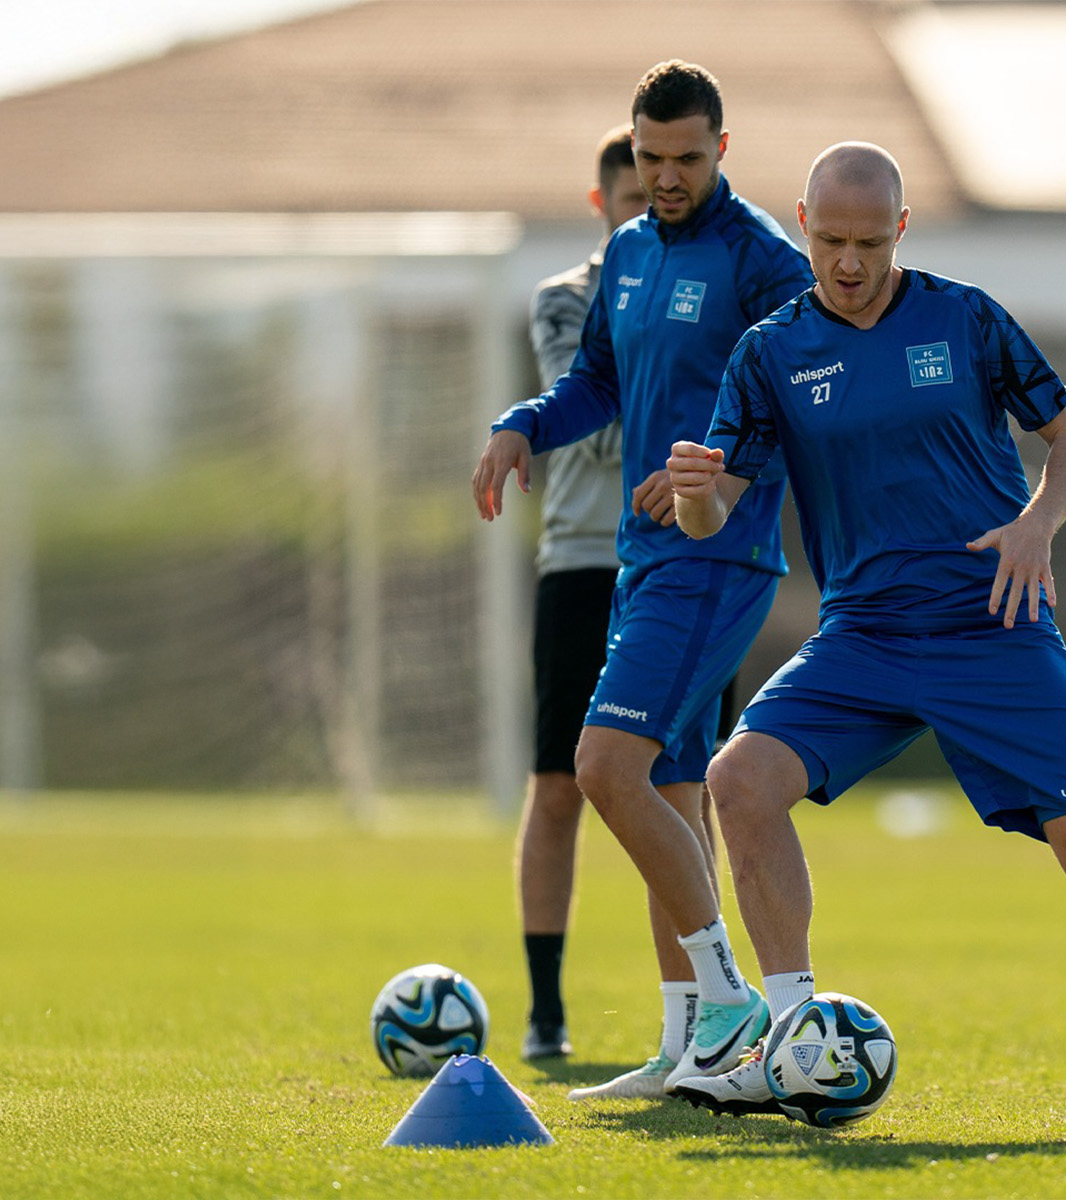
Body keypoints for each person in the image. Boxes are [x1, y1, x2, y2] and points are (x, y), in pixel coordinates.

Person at [665, 142, 1066, 1133]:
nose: (849, 262)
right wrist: (696, 495)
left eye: (871, 242)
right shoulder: (770, 353)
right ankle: (792, 1042)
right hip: (864, 635)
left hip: (994, 624)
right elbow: (715, 514)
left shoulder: (967, 319)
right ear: (804, 225)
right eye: (831, 240)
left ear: (902, 230)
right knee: (737, 781)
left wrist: (1038, 525)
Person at [471, 60, 814, 1100]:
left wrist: (718, 464)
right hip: (640, 555)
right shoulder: (626, 253)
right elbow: (598, 384)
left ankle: (727, 995)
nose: (667, 177)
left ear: (722, 150)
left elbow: (803, 397)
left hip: (718, 558)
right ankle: (683, 1049)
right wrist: (524, 425)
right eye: (652, 157)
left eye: (687, 159)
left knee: (603, 767)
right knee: (666, 787)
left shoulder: (763, 260)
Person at [515, 124, 644, 1062]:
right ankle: (546, 1009)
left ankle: (706, 1010)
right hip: (583, 562)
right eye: (633, 201)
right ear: (603, 206)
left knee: (686, 787)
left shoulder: (721, 289)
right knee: (560, 784)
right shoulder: (564, 299)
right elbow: (589, 429)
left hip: (685, 565)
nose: (651, 217)